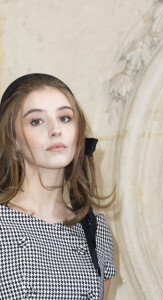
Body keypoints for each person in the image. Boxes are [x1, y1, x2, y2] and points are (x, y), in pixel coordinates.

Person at [0, 73, 116, 299]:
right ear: (12, 138)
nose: (56, 130)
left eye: (65, 118)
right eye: (36, 121)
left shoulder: (96, 230)